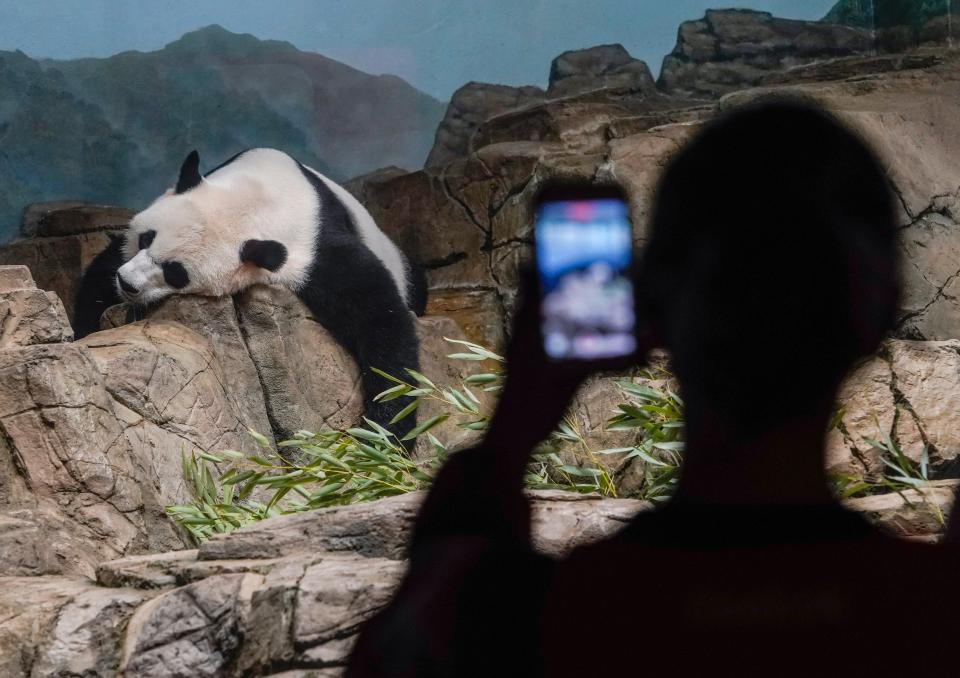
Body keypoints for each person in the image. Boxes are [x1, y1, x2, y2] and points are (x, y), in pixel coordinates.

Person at [346, 99, 960, 677]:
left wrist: (515, 426)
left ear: (652, 303)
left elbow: (404, 648)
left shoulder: (558, 620)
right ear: (882, 310)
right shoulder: (933, 617)